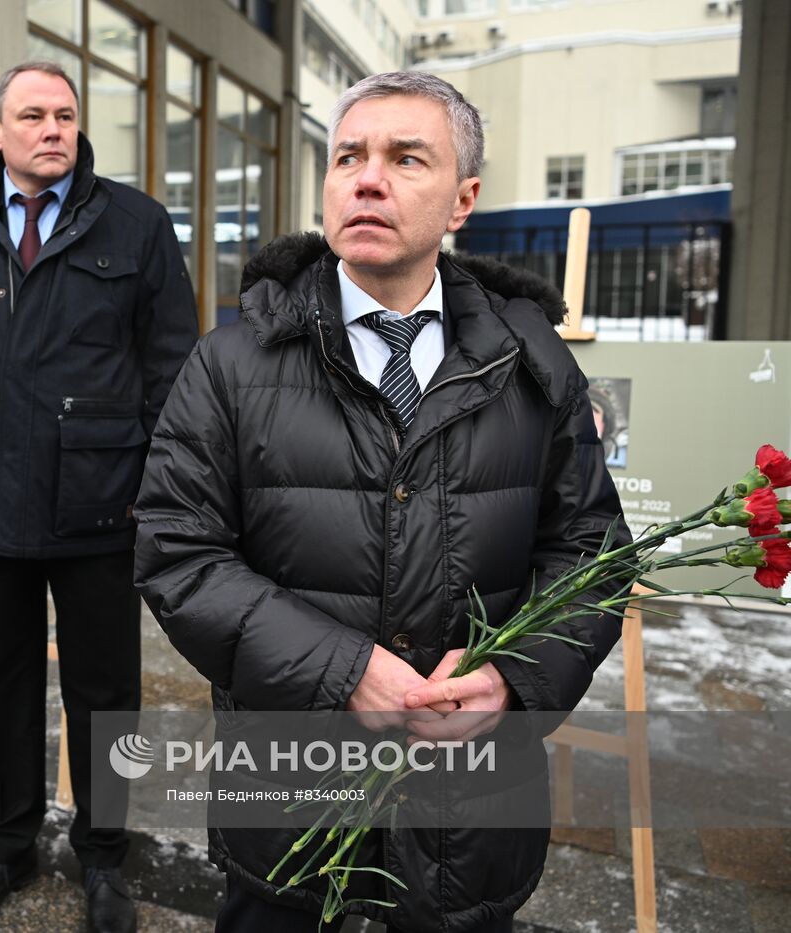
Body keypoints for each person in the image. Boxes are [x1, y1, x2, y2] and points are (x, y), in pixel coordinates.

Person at [133, 72, 629, 933]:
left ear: (463, 199)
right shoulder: (232, 362)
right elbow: (177, 551)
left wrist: (515, 677)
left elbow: (592, 551)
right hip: (291, 809)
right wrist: (342, 670)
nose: (367, 178)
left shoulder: (532, 361)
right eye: (349, 157)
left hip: (466, 813)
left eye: (407, 158)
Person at [0, 61, 198, 933]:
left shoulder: (134, 223)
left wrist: (163, 490)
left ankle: (104, 856)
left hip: (105, 503)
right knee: (4, 683)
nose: (52, 128)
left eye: (65, 114)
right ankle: (9, 843)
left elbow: (174, 368)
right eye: (33, 115)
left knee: (108, 693)